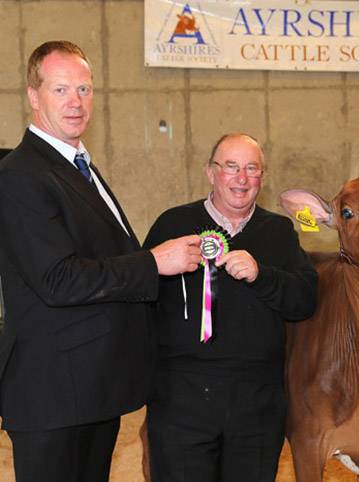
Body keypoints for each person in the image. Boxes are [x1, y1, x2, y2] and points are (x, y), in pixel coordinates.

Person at [0, 40, 203, 482]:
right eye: (60, 90)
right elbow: (58, 279)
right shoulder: (20, 175)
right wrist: (152, 262)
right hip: (52, 394)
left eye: (85, 89)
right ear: (33, 96)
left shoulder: (76, 166)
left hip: (89, 389)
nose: (75, 102)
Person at [143, 133, 318, 482]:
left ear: (262, 178)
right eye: (231, 167)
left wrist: (262, 275)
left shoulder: (279, 231)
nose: (241, 179)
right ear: (211, 172)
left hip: (257, 400)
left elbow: (304, 300)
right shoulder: (173, 224)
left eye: (252, 169)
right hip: (182, 398)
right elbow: (141, 299)